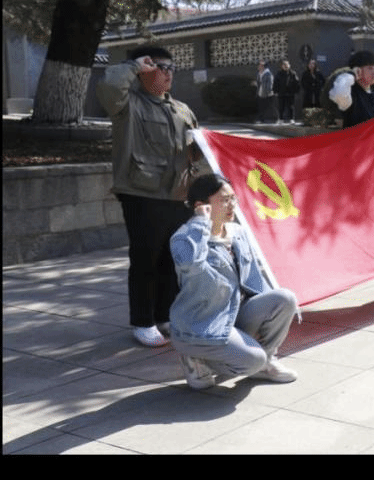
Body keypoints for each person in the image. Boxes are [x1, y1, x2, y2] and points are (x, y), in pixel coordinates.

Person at [95, 45, 200, 347]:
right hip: (142, 192)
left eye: (171, 68)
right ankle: (143, 322)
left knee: (172, 259)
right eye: (159, 68)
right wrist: (133, 66)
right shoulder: (127, 105)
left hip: (178, 193)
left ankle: (165, 316)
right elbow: (109, 87)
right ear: (144, 71)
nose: (167, 74)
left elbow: (195, 153)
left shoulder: (182, 109)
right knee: (146, 259)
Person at [170, 174, 299, 389]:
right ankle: (197, 358)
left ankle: (265, 361)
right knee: (253, 360)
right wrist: (201, 222)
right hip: (202, 322)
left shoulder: (237, 232)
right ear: (201, 206)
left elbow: (256, 277)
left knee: (285, 299)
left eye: (233, 198)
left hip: (233, 311)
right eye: (224, 200)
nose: (231, 205)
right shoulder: (184, 239)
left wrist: (263, 319)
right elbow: (192, 265)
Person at [328, 50, 374, 129]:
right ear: (358, 70)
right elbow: (339, 94)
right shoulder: (351, 93)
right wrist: (352, 75)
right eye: (370, 68)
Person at [273, 59, 300, 124]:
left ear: (289, 65)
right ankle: (280, 119)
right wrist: (275, 91)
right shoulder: (279, 74)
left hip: (290, 93)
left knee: (291, 107)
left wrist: (295, 91)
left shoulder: (293, 73)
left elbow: (297, 83)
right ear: (281, 66)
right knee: (281, 107)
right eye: (284, 65)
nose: (285, 66)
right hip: (281, 93)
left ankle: (291, 119)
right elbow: (275, 83)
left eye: (286, 64)